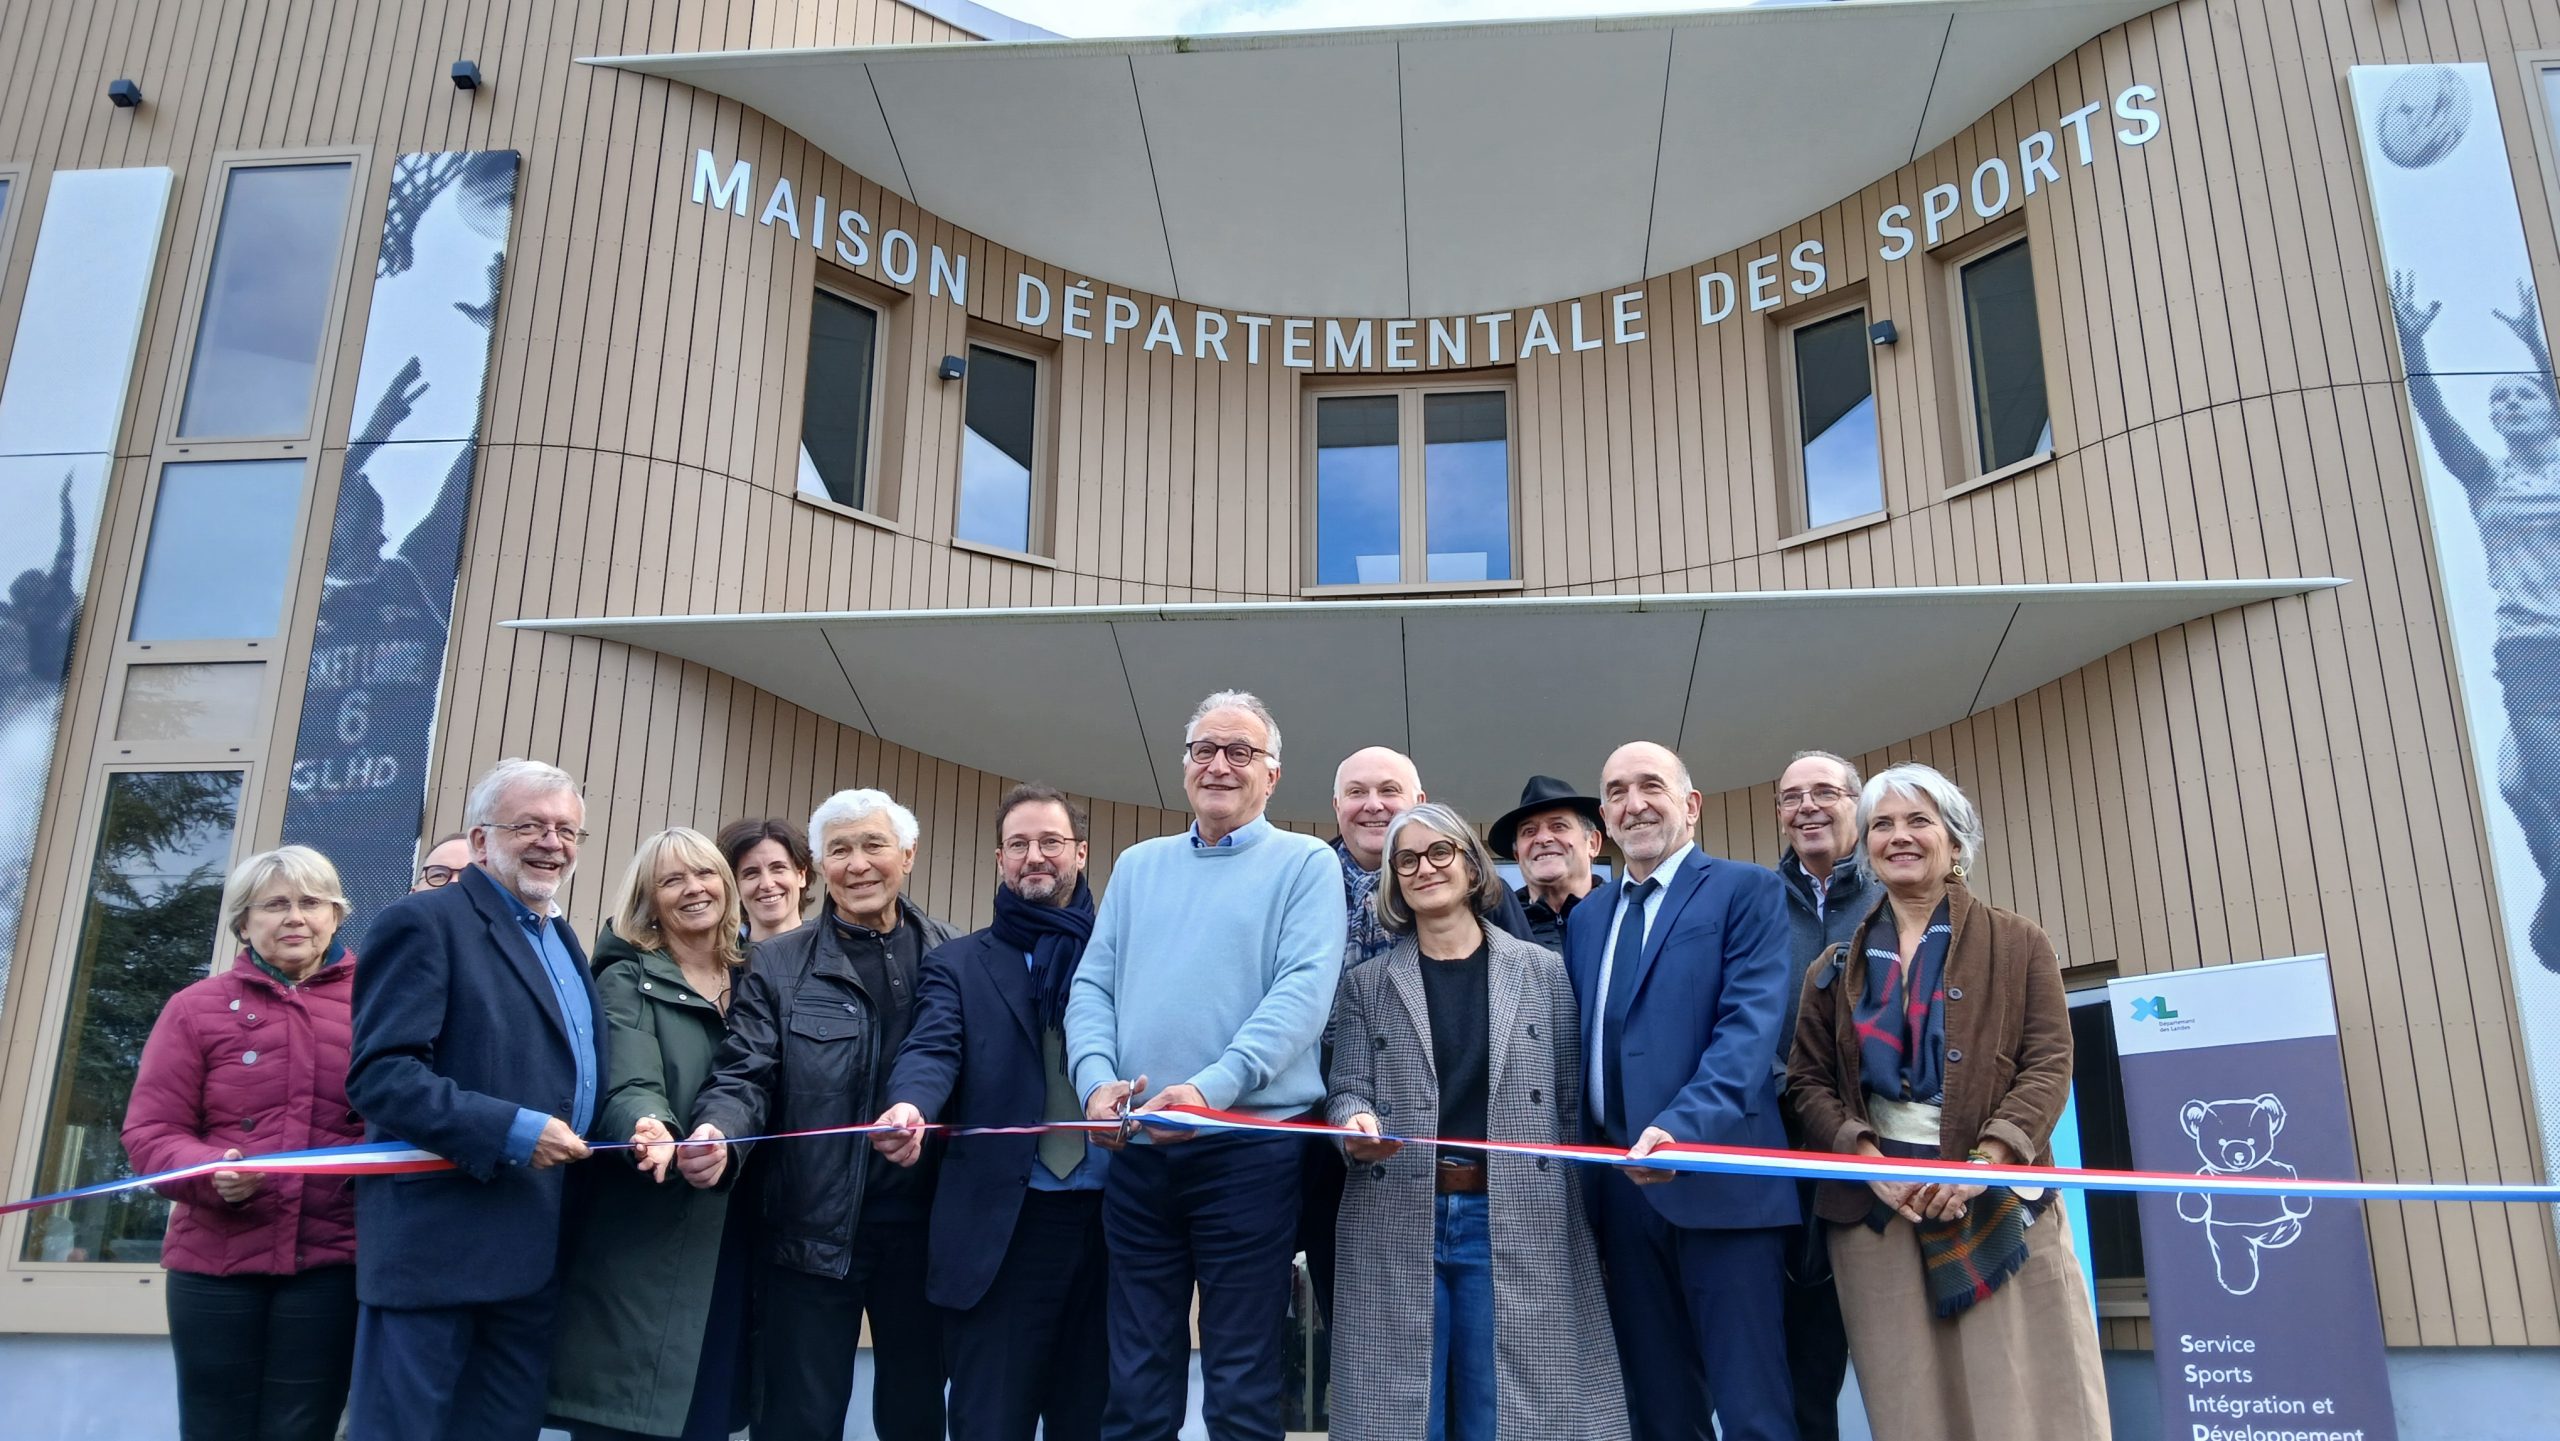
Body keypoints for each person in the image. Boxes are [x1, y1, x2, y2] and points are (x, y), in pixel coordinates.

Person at [1786, 763, 2108, 1441]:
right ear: (1866, 846)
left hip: (1995, 1198)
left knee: (2024, 1393)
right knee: (1911, 1405)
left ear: (1955, 842)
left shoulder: (2021, 944)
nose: (1899, 836)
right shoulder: (1835, 967)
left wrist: (1985, 1160)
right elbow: (1807, 1081)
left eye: (1918, 821)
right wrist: (1866, 1160)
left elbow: (2050, 1064)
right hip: (1878, 1206)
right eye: (1882, 825)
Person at [1066, 690, 1347, 1441]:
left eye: (1240, 751)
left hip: (1250, 1151)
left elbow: (1301, 994)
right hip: (1135, 1154)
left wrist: (1211, 1090)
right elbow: (1092, 985)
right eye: (1204, 750)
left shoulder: (1306, 864)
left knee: (1241, 1377)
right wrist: (1094, 1081)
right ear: (1185, 765)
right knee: (1136, 1376)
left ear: (1273, 775)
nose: (1219, 765)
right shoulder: (1137, 865)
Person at [1324, 804, 1626, 1441]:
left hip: (1519, 1210)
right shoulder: (1365, 984)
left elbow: (1569, 1104)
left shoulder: (1544, 972)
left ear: (1470, 864)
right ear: (1394, 882)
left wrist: (1583, 1218)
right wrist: (1355, 1122)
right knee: (1405, 1412)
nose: (1424, 869)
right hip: (1397, 1211)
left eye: (1440, 853)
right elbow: (1347, 1087)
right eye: (1406, 860)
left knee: (1509, 1411)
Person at [680, 789, 958, 1441]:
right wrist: (717, 1130)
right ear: (820, 866)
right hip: (809, 1231)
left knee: (917, 1414)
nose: (858, 863)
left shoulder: (952, 955)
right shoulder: (777, 963)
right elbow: (744, 1072)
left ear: (908, 854)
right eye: (839, 849)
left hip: (925, 1233)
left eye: (873, 845)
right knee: (799, 1419)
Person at [346, 758, 607, 1441]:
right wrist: (513, 1130)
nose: (552, 841)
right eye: (530, 825)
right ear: (482, 839)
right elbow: (383, 1075)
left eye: (566, 829)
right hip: (437, 1254)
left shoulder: (563, 938)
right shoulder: (424, 922)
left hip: (531, 1251)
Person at [1570, 741, 1799, 1441]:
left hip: (1723, 1181)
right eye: (1616, 790)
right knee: (1661, 1410)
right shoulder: (1587, 917)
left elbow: (1748, 1034)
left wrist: (1681, 1128)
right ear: (1604, 816)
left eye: (1650, 785)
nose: (1633, 802)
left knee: (1753, 1407)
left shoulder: (1746, 889)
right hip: (1622, 1194)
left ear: (1691, 805)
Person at [873, 783, 1109, 1441]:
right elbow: (932, 1048)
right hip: (1003, 1236)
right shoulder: (956, 964)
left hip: (1116, 1230)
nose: (1035, 855)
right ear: (1000, 858)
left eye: (1051, 842)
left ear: (1081, 852)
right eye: (1019, 844)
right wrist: (908, 1105)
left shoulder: (1122, 955)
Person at [122, 845, 361, 1441]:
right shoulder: (193, 1009)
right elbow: (150, 1132)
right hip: (214, 1265)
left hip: (331, 1263)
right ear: (243, 922)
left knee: (303, 1429)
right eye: (275, 905)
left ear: (336, 914)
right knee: (213, 1427)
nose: (295, 918)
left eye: (311, 902)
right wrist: (211, 1171)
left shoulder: (378, 1004)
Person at [1308, 746, 1533, 1328]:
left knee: (1480, 1328)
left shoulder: (1488, 898)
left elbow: (1522, 998)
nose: (1373, 805)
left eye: (1389, 790)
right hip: (1326, 1130)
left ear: (1420, 803)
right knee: (1363, 1319)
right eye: (1356, 793)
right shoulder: (1304, 882)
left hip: (1450, 1150)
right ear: (1336, 807)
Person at [547, 828, 753, 1440]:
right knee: (639, 1415)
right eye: (672, 880)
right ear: (649, 899)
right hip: (654, 1224)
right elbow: (626, 1080)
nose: (694, 890)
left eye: (705, 874)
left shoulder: (760, 973)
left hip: (740, 1222)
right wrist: (650, 1126)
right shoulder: (625, 976)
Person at [2390, 272, 2560, 970]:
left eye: (2525, 393)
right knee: (2540, 787)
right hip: (2530, 650)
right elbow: (2434, 419)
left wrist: (2535, 345)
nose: (2509, 402)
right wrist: (2412, 346)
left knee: (2517, 783)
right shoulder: (2486, 476)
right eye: (2499, 396)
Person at [1772, 751, 1871, 1441]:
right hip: (1788, 1157)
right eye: (1791, 796)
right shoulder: (1749, 901)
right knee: (1803, 1363)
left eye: (1825, 792)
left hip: (1890, 1155)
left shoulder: (1897, 892)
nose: (1807, 806)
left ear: (1856, 806)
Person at [1489, 774, 1607, 955]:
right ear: (1517, 855)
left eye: (1558, 826)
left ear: (1592, 843)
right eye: (1529, 831)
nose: (1543, 839)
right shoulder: (1494, 931)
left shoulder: (1625, 914)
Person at [718, 815, 813, 943]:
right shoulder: (717, 961)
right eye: (751, 873)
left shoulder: (836, 954)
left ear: (801, 876)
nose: (767, 884)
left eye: (778, 868)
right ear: (735, 886)